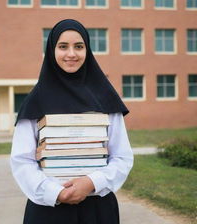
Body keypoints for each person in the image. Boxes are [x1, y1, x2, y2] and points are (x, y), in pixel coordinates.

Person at [10, 19, 134, 224]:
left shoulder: (105, 98)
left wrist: (92, 182)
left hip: (98, 209)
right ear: (51, 50)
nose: (71, 54)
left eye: (79, 46)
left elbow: (122, 157)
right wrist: (54, 192)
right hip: (48, 210)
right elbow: (22, 160)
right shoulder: (36, 100)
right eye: (62, 46)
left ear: (88, 50)